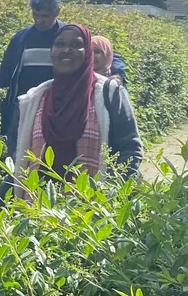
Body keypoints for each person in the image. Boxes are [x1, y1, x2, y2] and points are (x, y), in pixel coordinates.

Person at [8, 24, 143, 198]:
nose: (66, 50)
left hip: (94, 213)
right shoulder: (33, 100)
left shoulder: (110, 94)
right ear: (52, 51)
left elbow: (130, 149)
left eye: (75, 45)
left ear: (87, 52)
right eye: (59, 44)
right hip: (39, 213)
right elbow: (16, 154)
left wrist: (111, 198)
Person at [0, 0, 67, 139]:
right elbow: (8, 73)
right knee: (18, 155)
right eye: (35, 15)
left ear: (57, 12)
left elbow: (102, 54)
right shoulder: (21, 38)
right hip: (23, 109)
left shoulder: (68, 36)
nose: (39, 20)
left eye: (45, 16)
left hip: (58, 109)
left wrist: (113, 71)